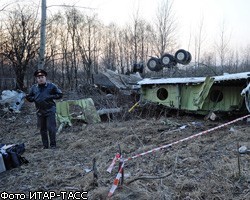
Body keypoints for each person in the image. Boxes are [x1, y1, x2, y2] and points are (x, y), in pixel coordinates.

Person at [26, 69, 63, 149]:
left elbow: (60, 94)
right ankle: (45, 146)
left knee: (51, 128)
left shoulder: (51, 86)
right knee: (42, 130)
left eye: (42, 77)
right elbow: (30, 97)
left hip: (50, 110)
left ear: (45, 77)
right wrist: (32, 98)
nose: (41, 79)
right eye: (39, 77)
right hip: (40, 111)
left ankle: (53, 145)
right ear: (37, 79)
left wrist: (50, 96)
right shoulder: (34, 88)